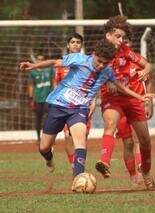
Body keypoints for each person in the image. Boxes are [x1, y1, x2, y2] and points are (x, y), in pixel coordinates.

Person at [19, 40, 155, 184]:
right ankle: (48, 158)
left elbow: (121, 87)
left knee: (80, 141)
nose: (102, 65)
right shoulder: (79, 59)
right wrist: (33, 66)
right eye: (99, 61)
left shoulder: (107, 71)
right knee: (44, 146)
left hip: (79, 109)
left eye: (105, 63)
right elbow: (54, 63)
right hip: (58, 105)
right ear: (94, 55)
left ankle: (77, 179)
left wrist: (140, 97)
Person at [95, 15, 155, 190]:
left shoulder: (125, 50)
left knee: (145, 140)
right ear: (108, 35)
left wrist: (146, 69)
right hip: (111, 99)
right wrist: (106, 82)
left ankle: (146, 172)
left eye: (123, 37)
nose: (121, 40)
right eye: (118, 36)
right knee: (111, 125)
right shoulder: (100, 52)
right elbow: (94, 72)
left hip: (132, 99)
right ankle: (104, 162)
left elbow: (148, 66)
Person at [53, 33, 96, 167]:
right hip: (66, 105)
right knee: (67, 136)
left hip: (83, 105)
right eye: (73, 42)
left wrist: (93, 102)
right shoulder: (61, 64)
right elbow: (56, 85)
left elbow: (94, 84)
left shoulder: (88, 62)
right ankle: (74, 165)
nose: (75, 44)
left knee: (81, 139)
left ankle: (79, 164)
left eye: (78, 42)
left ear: (81, 45)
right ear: (68, 45)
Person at [27, 54, 54, 144]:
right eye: (38, 59)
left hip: (48, 98)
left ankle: (49, 138)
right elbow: (31, 85)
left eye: (42, 59)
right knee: (38, 119)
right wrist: (31, 99)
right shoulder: (33, 72)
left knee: (49, 119)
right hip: (38, 99)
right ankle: (39, 138)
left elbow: (53, 82)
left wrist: (54, 94)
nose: (40, 61)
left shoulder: (49, 70)